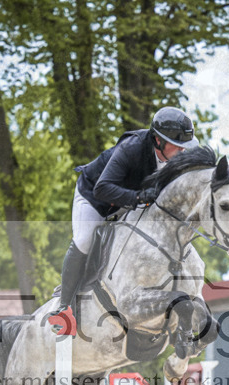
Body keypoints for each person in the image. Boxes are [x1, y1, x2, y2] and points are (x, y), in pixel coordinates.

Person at [52, 106, 199, 316]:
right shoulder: (132, 148)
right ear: (158, 140)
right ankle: (64, 306)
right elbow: (102, 188)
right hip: (94, 197)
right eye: (177, 145)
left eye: (184, 146)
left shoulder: (172, 159)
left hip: (127, 201)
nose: (182, 151)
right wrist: (138, 198)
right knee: (84, 239)